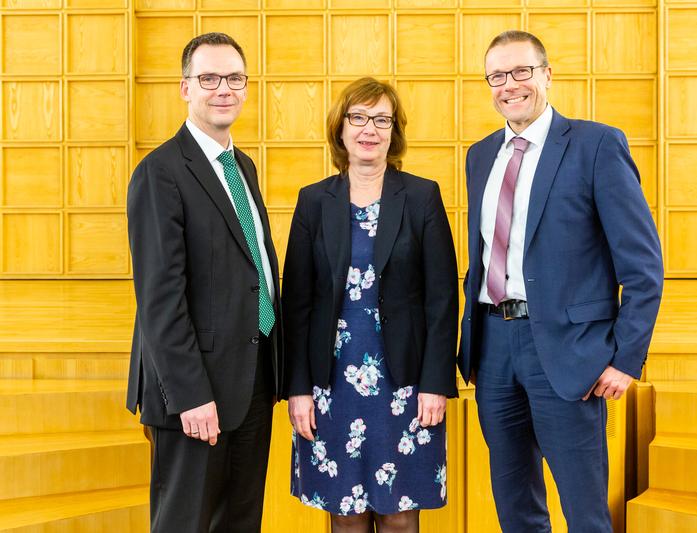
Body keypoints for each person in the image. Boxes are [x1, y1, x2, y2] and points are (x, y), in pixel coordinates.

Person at [458, 30, 664, 532]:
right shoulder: (481, 155)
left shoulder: (596, 144)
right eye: (497, 76)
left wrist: (625, 357)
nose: (510, 85)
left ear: (547, 75)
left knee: (584, 509)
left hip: (569, 351)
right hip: (494, 347)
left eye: (521, 71)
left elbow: (642, 265)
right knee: (515, 504)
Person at [282, 77, 458, 533]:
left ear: (393, 132)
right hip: (331, 384)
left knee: (400, 516)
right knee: (346, 517)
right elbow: (296, 304)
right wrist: (298, 388)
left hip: (406, 386)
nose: (369, 129)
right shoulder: (313, 200)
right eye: (358, 118)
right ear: (340, 129)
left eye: (381, 120)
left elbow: (442, 300)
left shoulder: (422, 196)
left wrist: (436, 383)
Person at [126, 32, 283, 532]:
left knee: (240, 522)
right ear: (185, 88)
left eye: (234, 78)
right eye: (209, 78)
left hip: (252, 378)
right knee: (185, 523)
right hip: (194, 392)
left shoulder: (243, 167)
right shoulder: (161, 172)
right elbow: (159, 299)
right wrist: (191, 394)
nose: (224, 89)